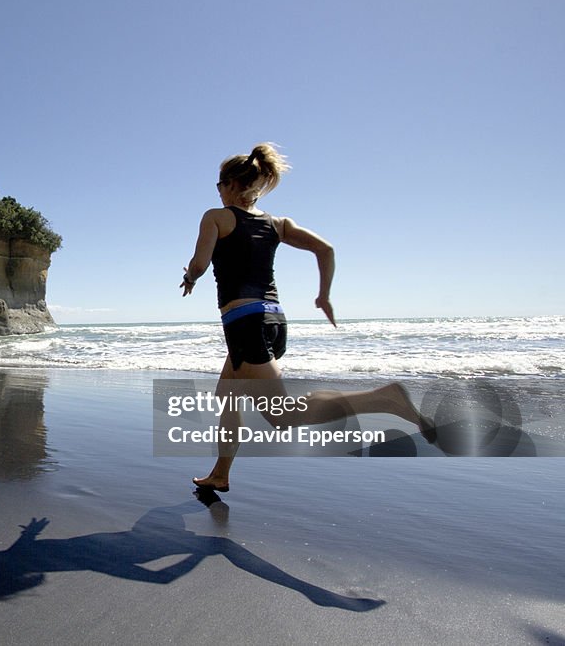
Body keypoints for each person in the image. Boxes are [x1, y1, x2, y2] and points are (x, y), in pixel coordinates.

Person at [181, 143, 434, 492]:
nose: (217, 191)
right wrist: (323, 295)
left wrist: (190, 278)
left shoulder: (216, 217)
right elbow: (325, 249)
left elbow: (200, 263)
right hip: (273, 321)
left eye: (219, 184)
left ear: (232, 185)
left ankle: (384, 398)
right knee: (228, 394)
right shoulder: (278, 224)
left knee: (282, 416)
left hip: (245, 324)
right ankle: (221, 473)